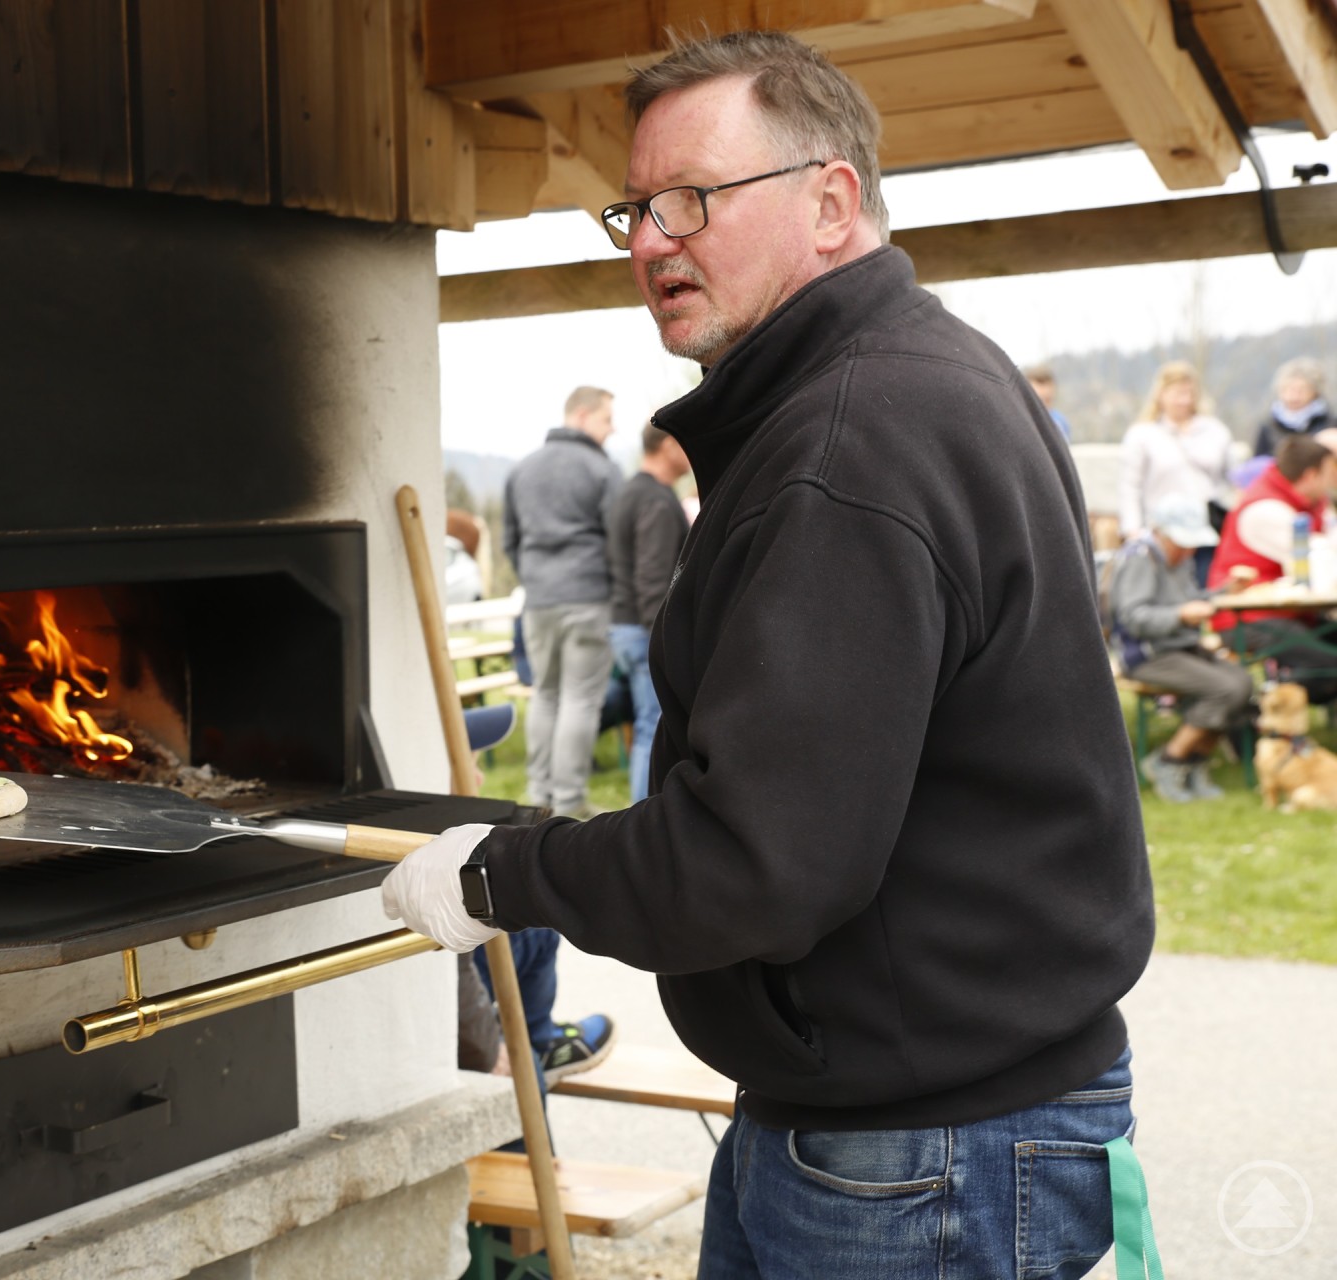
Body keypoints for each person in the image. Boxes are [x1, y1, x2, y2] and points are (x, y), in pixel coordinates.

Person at [382, 31, 1155, 1280]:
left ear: (831, 202)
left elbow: (754, 858)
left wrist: (498, 877)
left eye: (692, 199)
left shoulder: (852, 441)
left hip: (920, 1153)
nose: (649, 241)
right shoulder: (919, 373)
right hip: (898, 1108)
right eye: (635, 208)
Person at [501, 386, 625, 819]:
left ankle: (538, 796)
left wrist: (536, 579)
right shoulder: (603, 471)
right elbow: (620, 541)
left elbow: (510, 541)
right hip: (588, 598)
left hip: (538, 601)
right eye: (607, 419)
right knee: (579, 699)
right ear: (584, 415)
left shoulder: (522, 470)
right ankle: (569, 802)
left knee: (545, 694)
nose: (612, 429)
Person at [1109, 493, 1252, 802]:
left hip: (1180, 646)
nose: (1190, 549)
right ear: (1162, 533)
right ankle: (1169, 761)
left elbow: (1192, 599)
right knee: (1225, 689)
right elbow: (1133, 618)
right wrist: (1179, 615)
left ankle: (1194, 763)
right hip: (1147, 654)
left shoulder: (1179, 557)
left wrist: (1224, 590)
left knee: (1242, 682)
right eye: (1183, 542)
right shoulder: (1140, 558)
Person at [1207, 434, 1337, 703]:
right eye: (1330, 472)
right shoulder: (1266, 509)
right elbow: (1321, 564)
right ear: (1311, 475)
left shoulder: (1308, 502)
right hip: (1247, 618)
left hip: (1289, 612)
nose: (1333, 479)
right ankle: (1264, 710)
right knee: (1329, 666)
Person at [607, 423, 692, 803]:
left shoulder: (629, 492)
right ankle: (644, 817)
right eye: (685, 444)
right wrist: (664, 640)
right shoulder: (656, 500)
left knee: (647, 726)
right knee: (651, 729)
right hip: (643, 630)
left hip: (624, 626)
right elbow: (653, 578)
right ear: (669, 444)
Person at [1118, 361, 1235, 587]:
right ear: (1160, 395)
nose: (1184, 400)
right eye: (1176, 394)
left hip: (1208, 530)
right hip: (1164, 534)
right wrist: (1133, 530)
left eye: (1188, 393)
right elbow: (1130, 486)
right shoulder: (1142, 434)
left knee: (1206, 591)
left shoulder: (1215, 431)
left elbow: (1233, 478)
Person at [1251, 356, 1331, 459]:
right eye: (1287, 389)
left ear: (1315, 392)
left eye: (1301, 390)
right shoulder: (1268, 427)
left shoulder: (1329, 423)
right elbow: (1259, 463)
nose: (1293, 396)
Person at [1024, 364, 1072, 441]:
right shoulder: (1022, 423)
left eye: (1047, 400)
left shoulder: (1059, 423)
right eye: (1038, 400)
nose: (1042, 407)